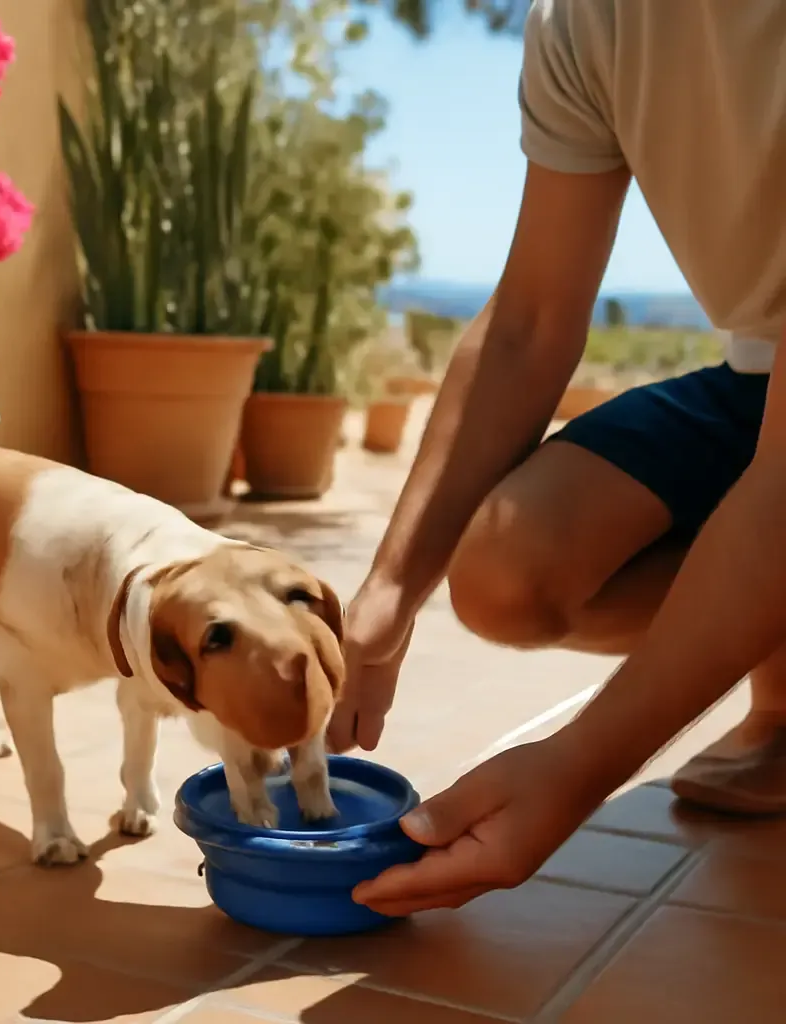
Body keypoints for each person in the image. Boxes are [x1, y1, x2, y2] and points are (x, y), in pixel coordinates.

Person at [329, 0, 786, 918]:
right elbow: (530, 322)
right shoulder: (590, 19)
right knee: (506, 570)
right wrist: (388, 592)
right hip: (758, 371)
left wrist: (579, 764)